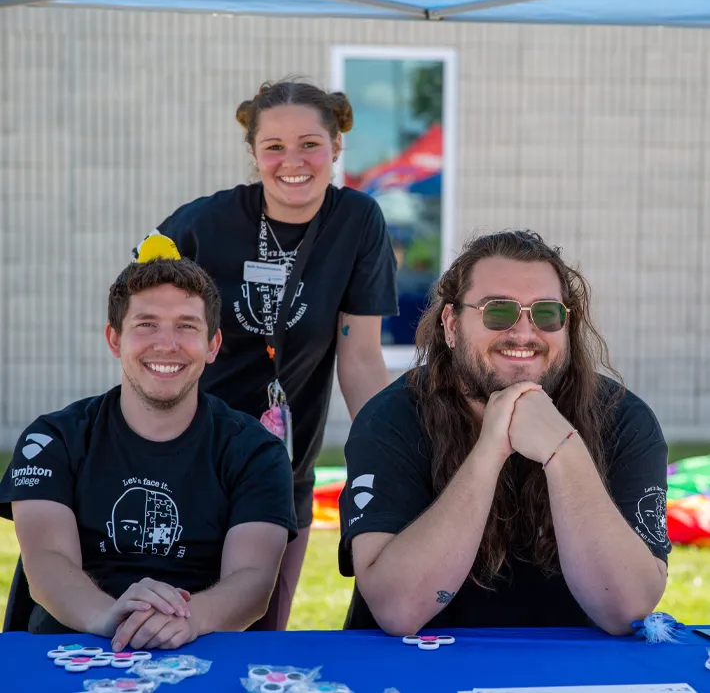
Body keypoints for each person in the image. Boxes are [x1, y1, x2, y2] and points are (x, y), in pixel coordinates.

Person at [132, 79, 399, 630]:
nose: (291, 161)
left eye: (309, 144)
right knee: (175, 619)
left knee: (261, 626)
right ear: (253, 153)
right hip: (190, 456)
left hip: (284, 460)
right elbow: (140, 331)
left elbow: (360, 357)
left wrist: (392, 450)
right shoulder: (201, 223)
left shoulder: (357, 222)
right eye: (273, 146)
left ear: (336, 148)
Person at [338, 230, 670, 635]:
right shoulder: (391, 420)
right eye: (498, 312)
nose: (524, 334)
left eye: (546, 313)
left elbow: (627, 609)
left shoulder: (623, 421)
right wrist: (489, 451)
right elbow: (398, 609)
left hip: (568, 676)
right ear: (451, 324)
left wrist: (563, 452)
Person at [0, 256, 297, 650]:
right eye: (147, 324)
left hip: (201, 649)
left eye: (186, 326)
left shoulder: (256, 451)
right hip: (72, 648)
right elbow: (48, 563)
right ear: (114, 339)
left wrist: (189, 622)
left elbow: (253, 578)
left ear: (213, 345)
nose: (167, 344)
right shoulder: (52, 439)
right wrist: (112, 617)